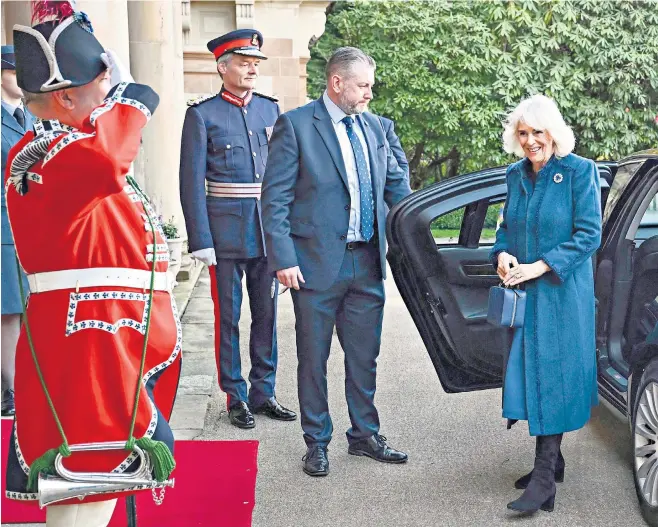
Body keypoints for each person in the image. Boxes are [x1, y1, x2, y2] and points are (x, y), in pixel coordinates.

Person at [5, 5, 180, 526]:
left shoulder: (67, 150)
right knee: (84, 491)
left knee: (106, 488)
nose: (109, 102)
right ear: (65, 97)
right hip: (86, 349)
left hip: (108, 339)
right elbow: (107, 160)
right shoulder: (45, 155)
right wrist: (134, 96)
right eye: (102, 89)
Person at [261, 46, 412, 476]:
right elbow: (274, 202)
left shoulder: (379, 129)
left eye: (371, 85)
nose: (370, 93)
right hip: (312, 265)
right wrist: (283, 259)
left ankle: (364, 435)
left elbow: (398, 194)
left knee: (364, 356)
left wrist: (417, 244)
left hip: (366, 262)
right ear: (337, 83)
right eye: (364, 85)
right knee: (313, 357)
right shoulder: (295, 126)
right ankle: (317, 442)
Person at [490, 94, 602, 514]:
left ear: (553, 132)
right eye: (523, 133)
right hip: (526, 299)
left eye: (538, 132)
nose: (531, 141)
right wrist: (502, 255)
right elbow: (506, 230)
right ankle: (552, 463)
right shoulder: (515, 174)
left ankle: (542, 482)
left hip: (560, 294)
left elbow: (589, 234)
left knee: (553, 378)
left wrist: (540, 266)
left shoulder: (579, 172)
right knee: (532, 376)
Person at [179, 29, 296, 429]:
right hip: (224, 235)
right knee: (228, 319)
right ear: (222, 67)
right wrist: (201, 240)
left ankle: (264, 391)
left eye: (255, 63)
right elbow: (191, 181)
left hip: (267, 232)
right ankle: (235, 395)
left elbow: (283, 177)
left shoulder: (271, 110)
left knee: (266, 316)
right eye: (244, 63)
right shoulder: (202, 114)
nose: (251, 69)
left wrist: (288, 231)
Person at [1, 45, 33, 417]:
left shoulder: (29, 119)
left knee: (26, 308)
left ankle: (21, 382)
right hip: (3, 228)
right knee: (7, 312)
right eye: (17, 73)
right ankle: (10, 389)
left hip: (27, 226)